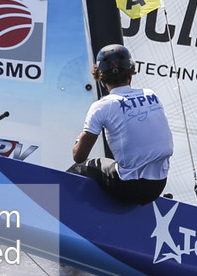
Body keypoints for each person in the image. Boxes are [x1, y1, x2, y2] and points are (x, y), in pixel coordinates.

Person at [70, 44, 172, 205]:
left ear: (100, 78)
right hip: (157, 186)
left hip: (127, 188)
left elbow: (79, 156)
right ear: (130, 74)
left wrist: (78, 141)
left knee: (84, 166)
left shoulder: (101, 106)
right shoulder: (151, 95)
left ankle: (54, 210)